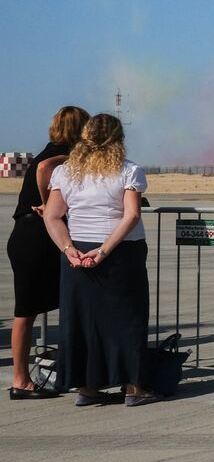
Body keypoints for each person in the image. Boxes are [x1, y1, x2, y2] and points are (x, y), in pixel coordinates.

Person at [39, 114, 158, 406]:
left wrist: (68, 249)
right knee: (128, 318)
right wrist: (104, 250)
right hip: (120, 252)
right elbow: (131, 215)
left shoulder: (66, 172)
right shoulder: (128, 171)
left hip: (78, 252)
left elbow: (52, 216)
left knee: (82, 321)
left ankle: (86, 387)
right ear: (119, 140)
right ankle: (133, 387)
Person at [8, 105, 89, 398]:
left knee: (29, 310)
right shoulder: (61, 155)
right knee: (27, 311)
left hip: (26, 235)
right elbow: (44, 169)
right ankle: (21, 381)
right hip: (35, 236)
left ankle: (33, 376)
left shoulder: (48, 150)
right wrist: (47, 205)